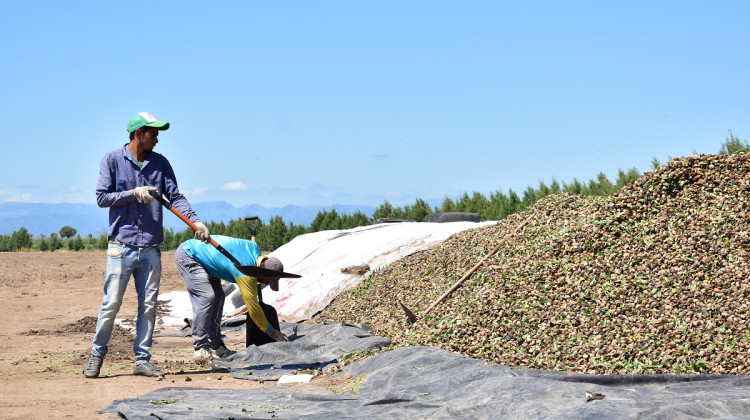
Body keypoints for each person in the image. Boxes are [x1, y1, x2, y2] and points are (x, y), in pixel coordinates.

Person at [84, 112, 211, 378]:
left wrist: (196, 223)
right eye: (153, 134)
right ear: (138, 133)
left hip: (151, 247)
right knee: (111, 303)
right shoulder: (112, 160)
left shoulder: (160, 163)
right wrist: (134, 194)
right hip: (122, 245)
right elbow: (102, 197)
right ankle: (97, 354)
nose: (156, 139)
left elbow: (175, 196)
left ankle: (142, 359)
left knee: (149, 305)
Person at [174, 235, 289, 364]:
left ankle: (216, 345)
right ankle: (200, 347)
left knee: (219, 297)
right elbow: (253, 308)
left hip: (207, 259)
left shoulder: (254, 248)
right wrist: (272, 332)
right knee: (207, 296)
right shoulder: (246, 273)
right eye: (268, 281)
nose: (266, 284)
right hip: (190, 254)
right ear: (262, 273)